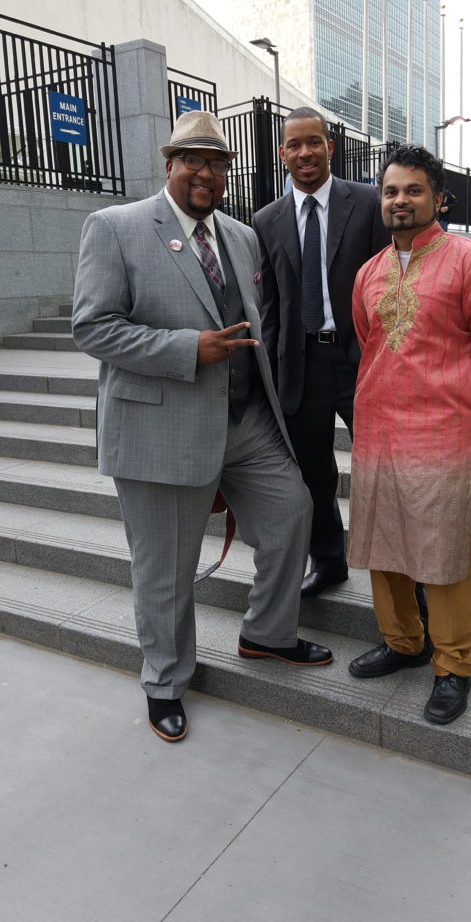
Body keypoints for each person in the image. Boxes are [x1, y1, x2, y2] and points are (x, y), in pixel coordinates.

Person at [72, 111, 333, 744]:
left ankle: (264, 634)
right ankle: (164, 680)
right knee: (166, 567)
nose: (206, 173)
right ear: (169, 165)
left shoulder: (241, 237)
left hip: (243, 422)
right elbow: (93, 327)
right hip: (162, 428)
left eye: (217, 163)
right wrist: (188, 347)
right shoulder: (116, 228)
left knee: (292, 511)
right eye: (193, 160)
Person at [347, 145, 471, 725]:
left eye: (413, 190)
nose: (401, 201)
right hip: (376, 433)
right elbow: (367, 340)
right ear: (381, 199)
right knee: (383, 545)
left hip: (442, 437)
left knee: (445, 555)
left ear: (437, 198)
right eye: (391, 191)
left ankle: (453, 664)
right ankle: (403, 643)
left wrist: (465, 422)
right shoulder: (368, 273)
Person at [252, 107, 388, 598]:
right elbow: (270, 305)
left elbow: (390, 285)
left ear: (330, 146)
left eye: (314, 142)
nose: (305, 152)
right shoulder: (266, 219)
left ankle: (401, 573)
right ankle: (328, 561)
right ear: (282, 153)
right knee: (313, 473)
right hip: (300, 364)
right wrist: (263, 372)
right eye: (294, 145)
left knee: (384, 468)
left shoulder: (370, 203)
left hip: (360, 361)